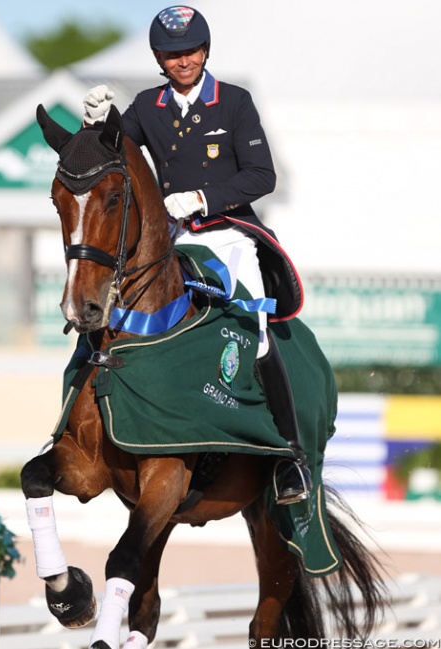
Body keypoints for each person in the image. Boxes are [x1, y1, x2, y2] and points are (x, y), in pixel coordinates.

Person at [82, 5, 312, 505]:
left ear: (204, 51)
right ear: (159, 59)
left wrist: (203, 199)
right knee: (115, 321)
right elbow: (115, 159)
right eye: (171, 54)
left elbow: (261, 175)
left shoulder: (233, 102)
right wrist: (98, 126)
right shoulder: (146, 106)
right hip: (173, 242)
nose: (182, 61)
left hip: (228, 235)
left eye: (189, 51)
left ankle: (288, 459)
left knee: (255, 333)